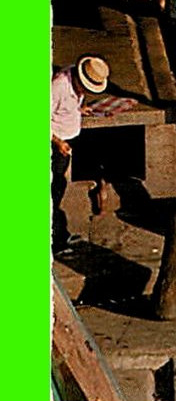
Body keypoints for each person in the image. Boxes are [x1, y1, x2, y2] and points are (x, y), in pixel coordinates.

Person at [52, 55, 108, 254]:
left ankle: (57, 235)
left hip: (70, 135)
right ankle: (55, 239)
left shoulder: (78, 84)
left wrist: (79, 109)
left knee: (60, 184)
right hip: (57, 141)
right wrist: (58, 142)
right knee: (55, 188)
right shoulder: (59, 86)